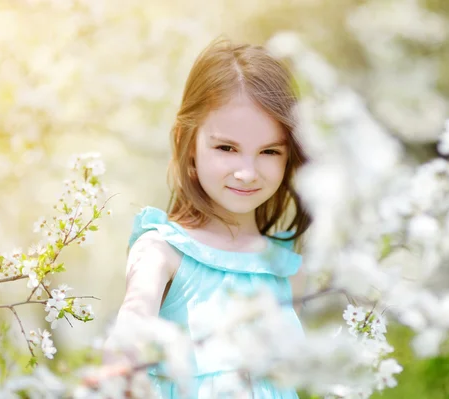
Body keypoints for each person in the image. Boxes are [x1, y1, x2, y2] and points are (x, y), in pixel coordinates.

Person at [108, 37, 311, 398]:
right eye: (226, 148)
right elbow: (132, 321)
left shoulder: (286, 269)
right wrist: (123, 364)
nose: (247, 172)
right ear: (188, 145)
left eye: (268, 151)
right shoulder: (161, 251)